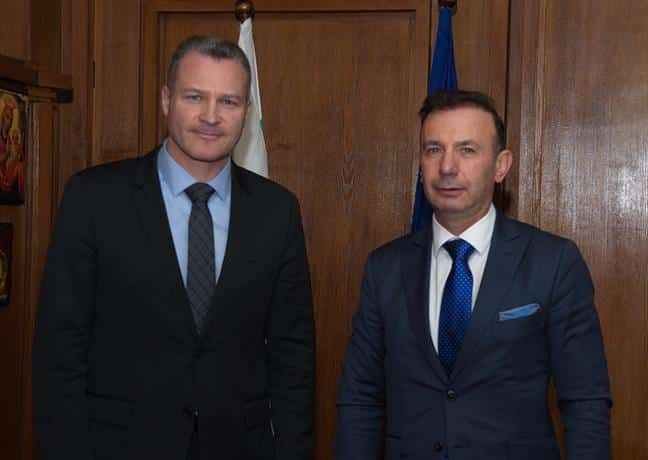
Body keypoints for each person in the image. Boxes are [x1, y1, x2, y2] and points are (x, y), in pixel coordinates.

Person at [33, 36, 314, 460]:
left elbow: (293, 356)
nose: (211, 117)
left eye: (229, 101)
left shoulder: (278, 211)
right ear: (166, 100)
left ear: (247, 112)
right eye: (195, 97)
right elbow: (60, 351)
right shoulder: (93, 199)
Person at [336, 90, 611, 460]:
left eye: (467, 150)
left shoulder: (553, 262)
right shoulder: (385, 267)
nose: (447, 167)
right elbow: (360, 398)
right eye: (434, 149)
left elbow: (585, 400)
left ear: (501, 166)